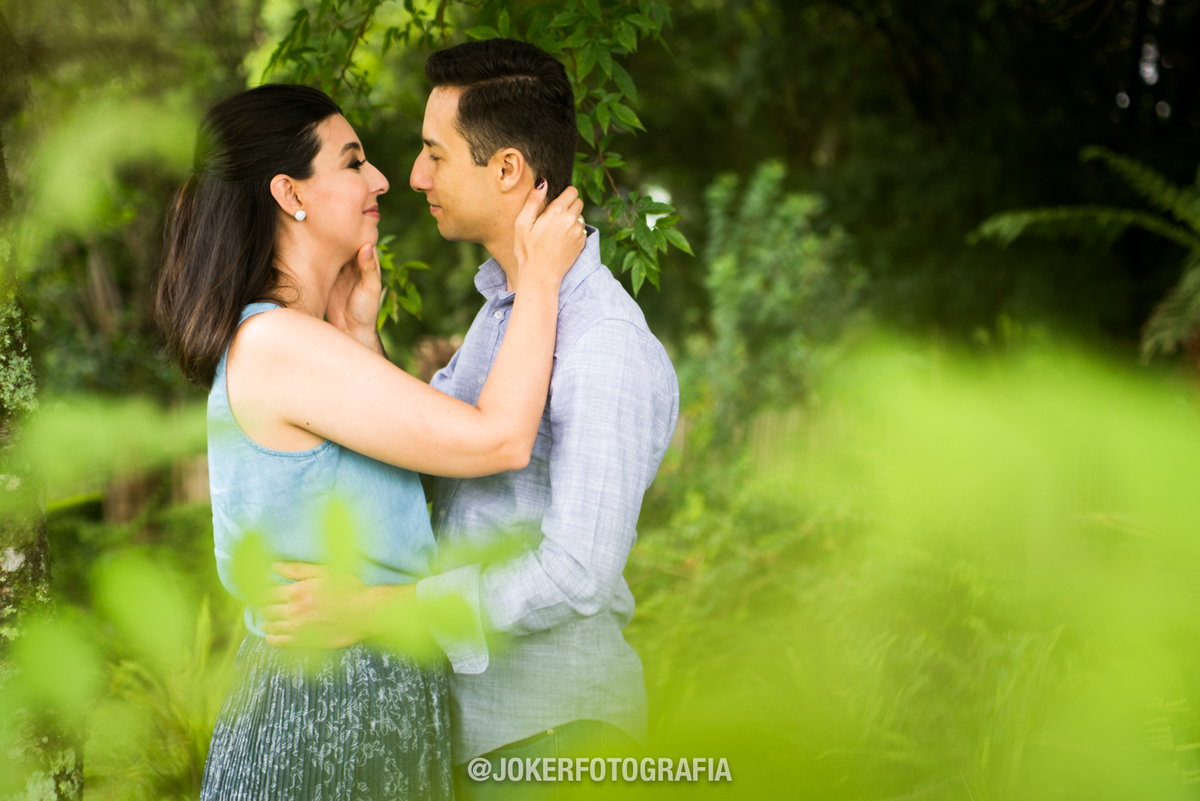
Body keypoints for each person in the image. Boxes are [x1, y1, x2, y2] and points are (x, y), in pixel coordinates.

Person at [271, 39, 680, 799]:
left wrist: (378, 610)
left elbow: (578, 571)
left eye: (435, 154)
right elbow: (434, 448)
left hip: (560, 741)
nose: (416, 177)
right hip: (491, 737)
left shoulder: (604, 344)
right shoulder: (506, 314)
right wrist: (361, 338)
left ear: (508, 170)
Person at [155, 82, 586, 800]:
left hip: (367, 695)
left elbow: (389, 503)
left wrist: (361, 337)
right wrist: (539, 279)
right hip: (325, 710)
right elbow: (499, 440)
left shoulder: (305, 343)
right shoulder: (277, 344)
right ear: (290, 193)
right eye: (353, 163)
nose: (383, 179)